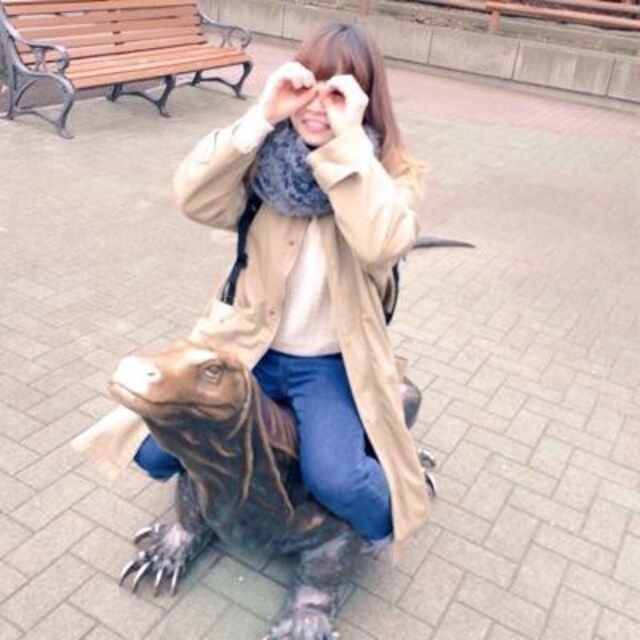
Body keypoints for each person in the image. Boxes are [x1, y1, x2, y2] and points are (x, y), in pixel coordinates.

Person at [75, 23, 431, 548]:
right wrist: (262, 115)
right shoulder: (265, 166)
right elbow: (192, 197)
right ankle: (220, 500)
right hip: (249, 349)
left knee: (339, 481)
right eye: (309, 85)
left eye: (337, 92)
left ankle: (371, 522)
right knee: (152, 452)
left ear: (363, 101)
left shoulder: (390, 176)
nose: (317, 104)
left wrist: (349, 144)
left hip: (330, 363)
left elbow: (382, 243)